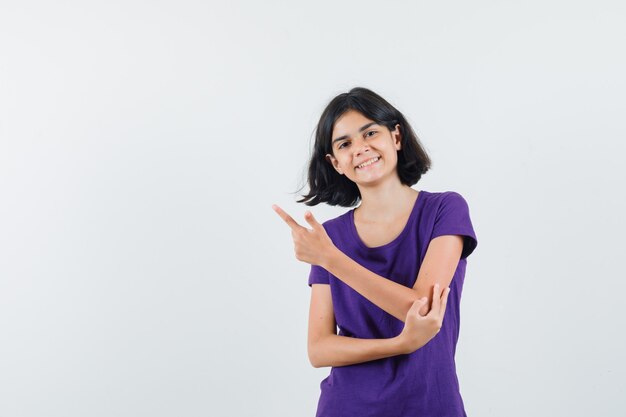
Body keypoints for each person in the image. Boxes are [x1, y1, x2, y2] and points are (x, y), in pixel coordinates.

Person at [272, 87, 478, 417]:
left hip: (430, 405)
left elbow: (422, 309)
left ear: (396, 136)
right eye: (345, 144)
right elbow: (319, 349)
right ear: (335, 162)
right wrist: (399, 345)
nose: (361, 148)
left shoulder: (444, 209)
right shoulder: (331, 236)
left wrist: (331, 259)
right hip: (346, 406)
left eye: (370, 132)